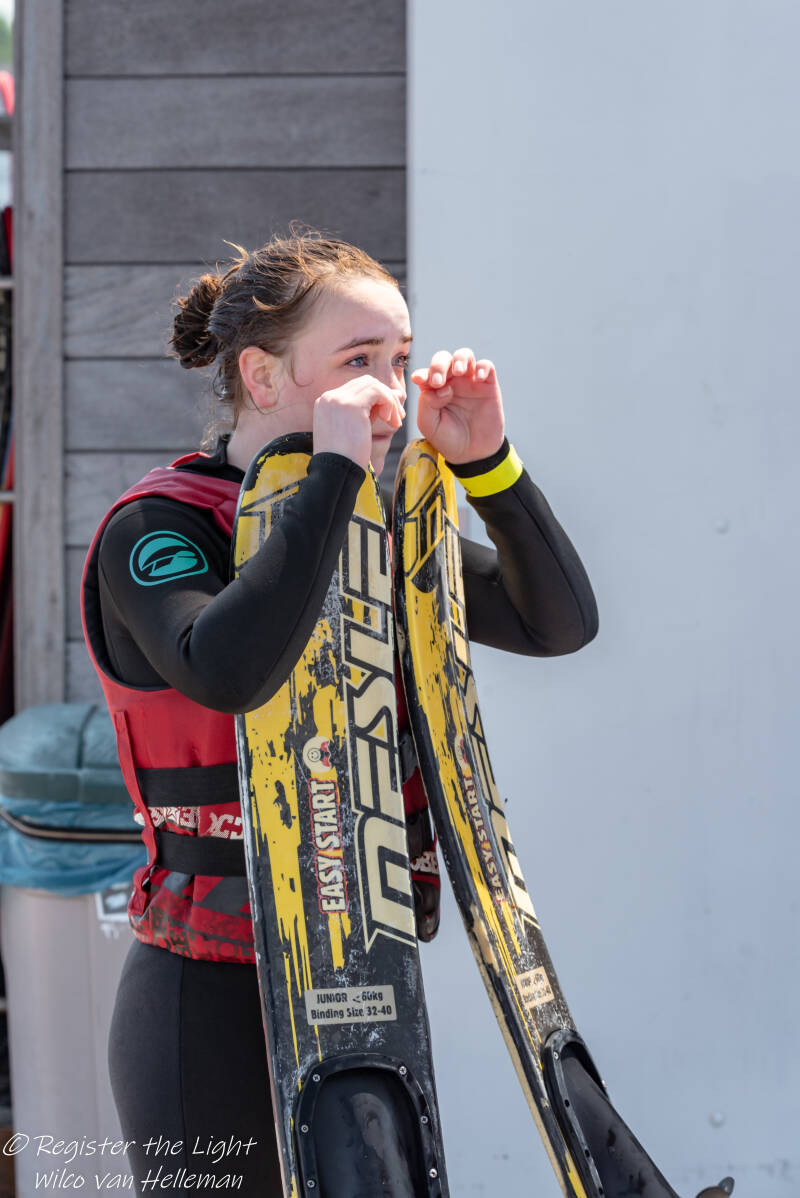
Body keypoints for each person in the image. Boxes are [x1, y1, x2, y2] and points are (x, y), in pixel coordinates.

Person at [80, 228, 598, 1194]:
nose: (390, 393)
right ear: (263, 376)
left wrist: (489, 464)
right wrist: (330, 477)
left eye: (399, 360)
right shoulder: (159, 526)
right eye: (360, 362)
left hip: (358, 983)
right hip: (207, 989)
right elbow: (226, 670)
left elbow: (556, 623)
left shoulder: (375, 529)